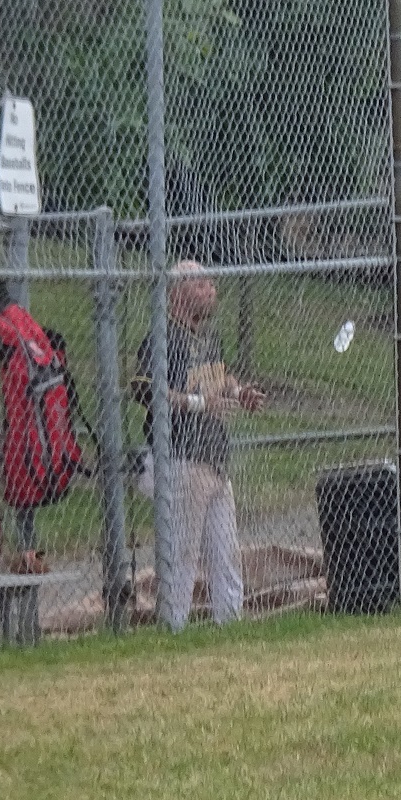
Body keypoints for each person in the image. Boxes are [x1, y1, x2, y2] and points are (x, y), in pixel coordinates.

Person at [131, 260, 264, 625]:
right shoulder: (162, 337)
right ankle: (174, 627)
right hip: (182, 458)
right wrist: (198, 403)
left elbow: (221, 376)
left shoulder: (208, 336)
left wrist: (238, 392)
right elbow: (144, 389)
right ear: (177, 293)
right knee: (183, 554)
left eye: (211, 284)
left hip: (215, 456)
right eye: (201, 284)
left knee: (227, 553)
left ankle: (230, 624)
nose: (212, 290)